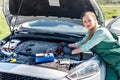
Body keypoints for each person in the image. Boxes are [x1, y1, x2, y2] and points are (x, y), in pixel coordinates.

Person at [68, 11, 120, 80]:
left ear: (95, 19)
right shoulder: (90, 32)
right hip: (109, 62)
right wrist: (67, 45)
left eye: (89, 20)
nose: (87, 23)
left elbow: (86, 46)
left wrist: (70, 53)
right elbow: (82, 42)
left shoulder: (101, 31)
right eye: (85, 22)